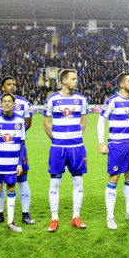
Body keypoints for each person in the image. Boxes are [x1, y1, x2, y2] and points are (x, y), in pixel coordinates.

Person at [97, 72, 129, 230]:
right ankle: (110, 216)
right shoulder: (112, 101)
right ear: (121, 84)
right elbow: (100, 121)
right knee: (114, 177)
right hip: (117, 145)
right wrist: (101, 143)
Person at [43, 69, 89, 232]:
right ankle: (54, 219)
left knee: (78, 182)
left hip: (77, 148)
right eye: (73, 79)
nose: (76, 81)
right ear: (63, 80)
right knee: (54, 182)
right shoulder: (52, 99)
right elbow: (46, 123)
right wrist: (56, 139)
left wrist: (76, 137)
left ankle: (76, 217)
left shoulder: (81, 100)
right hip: (58, 148)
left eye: (76, 78)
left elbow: (84, 122)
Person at [0, 76, 34, 225]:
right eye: (9, 84)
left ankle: (25, 213)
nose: (12, 86)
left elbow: (27, 124)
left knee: (22, 179)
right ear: (2, 88)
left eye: (14, 84)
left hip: (18, 148)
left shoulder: (25, 104)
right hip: (1, 152)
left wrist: (14, 138)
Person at [0, 93, 25, 235]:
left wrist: (20, 163)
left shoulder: (20, 120)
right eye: (4, 101)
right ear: (1, 104)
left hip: (13, 163)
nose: (7, 103)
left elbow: (22, 143)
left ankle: (11, 221)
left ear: (14, 104)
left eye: (9, 101)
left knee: (12, 190)